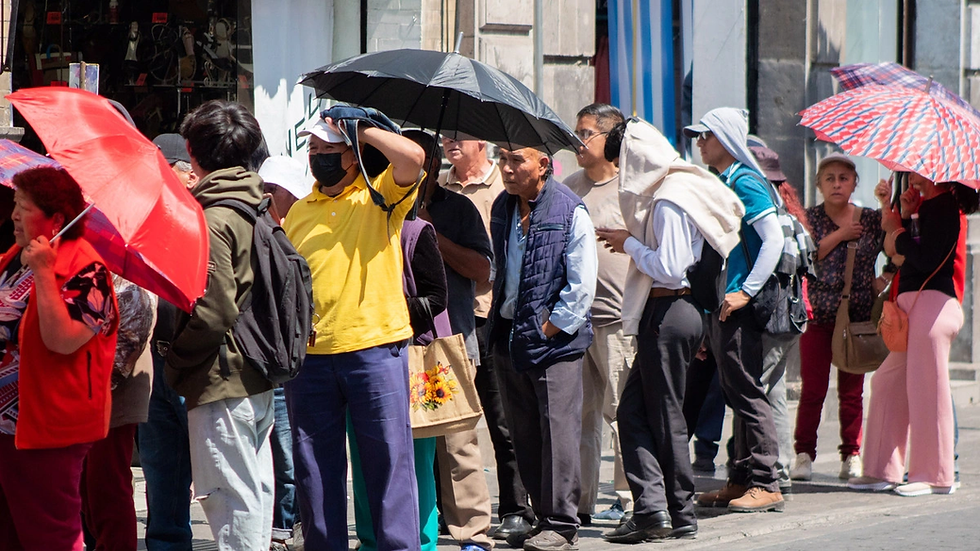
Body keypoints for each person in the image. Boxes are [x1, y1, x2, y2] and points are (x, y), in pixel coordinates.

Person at [282, 106, 425, 550]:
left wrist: (362, 130)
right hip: (312, 358)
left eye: (329, 149)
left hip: (375, 349)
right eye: (313, 148)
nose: (318, 156)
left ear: (353, 156)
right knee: (314, 469)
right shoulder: (299, 211)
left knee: (388, 464)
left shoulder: (380, 197)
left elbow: (413, 159)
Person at [596, 118, 743, 543]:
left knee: (664, 416)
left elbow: (670, 266)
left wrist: (628, 243)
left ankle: (673, 511)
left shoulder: (669, 197)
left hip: (670, 311)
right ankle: (656, 509)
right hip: (670, 313)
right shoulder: (675, 190)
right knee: (635, 412)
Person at [166, 100, 276, 550]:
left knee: (231, 503)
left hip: (221, 377)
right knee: (253, 496)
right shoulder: (256, 204)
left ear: (193, 153)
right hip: (256, 372)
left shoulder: (213, 216)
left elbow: (214, 311)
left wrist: (176, 357)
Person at [0, 166, 119, 550]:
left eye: (24, 206)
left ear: (56, 219)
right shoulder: (16, 255)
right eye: (15, 205)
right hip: (8, 426)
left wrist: (45, 274)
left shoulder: (88, 269)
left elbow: (62, 340)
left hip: (48, 425)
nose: (14, 214)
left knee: (50, 533)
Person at [488, 145, 597, 551]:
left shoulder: (569, 208)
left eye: (518, 161)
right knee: (524, 433)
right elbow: (502, 266)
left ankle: (562, 524)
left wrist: (550, 327)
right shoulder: (503, 206)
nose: (508, 169)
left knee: (558, 432)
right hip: (509, 335)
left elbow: (582, 282)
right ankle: (540, 516)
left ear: (543, 166)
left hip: (555, 342)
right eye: (504, 159)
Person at [848, 173, 977, 496]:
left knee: (926, 390)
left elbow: (924, 257)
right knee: (887, 382)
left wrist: (897, 228)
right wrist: (899, 219)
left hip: (932, 303)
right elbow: (898, 253)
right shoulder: (925, 204)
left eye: (915, 165)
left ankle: (935, 475)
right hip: (915, 305)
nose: (908, 170)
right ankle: (881, 470)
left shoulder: (945, 204)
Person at [684, 107, 785, 512]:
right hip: (722, 305)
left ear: (725, 139)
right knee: (735, 391)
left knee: (746, 391)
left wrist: (745, 291)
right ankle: (741, 480)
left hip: (738, 305)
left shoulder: (745, 180)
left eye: (705, 135)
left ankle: (766, 481)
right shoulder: (723, 180)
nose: (699, 143)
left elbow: (772, 239)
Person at [440, 132, 532, 539]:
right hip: (452, 316)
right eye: (444, 138)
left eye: (458, 137)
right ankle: (447, 508)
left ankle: (516, 506)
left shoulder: (503, 187)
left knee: (501, 418)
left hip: (492, 314)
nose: (449, 143)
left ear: (482, 142)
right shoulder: (439, 187)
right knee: (447, 420)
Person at [407, 129, 495, 551]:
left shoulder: (457, 209)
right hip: (394, 341)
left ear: (433, 168)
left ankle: (472, 531)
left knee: (457, 443)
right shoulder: (376, 206)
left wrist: (430, 236)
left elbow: (482, 270)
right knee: (402, 442)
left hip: (449, 342)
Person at [350, 215, 446, 551]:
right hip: (354, 356)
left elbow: (437, 297)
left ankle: (422, 543)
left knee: (414, 463)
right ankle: (371, 542)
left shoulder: (415, 230)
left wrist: (384, 312)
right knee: (363, 464)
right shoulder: (351, 225)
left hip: (408, 362)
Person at [562, 103, 635, 524]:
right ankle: (581, 502)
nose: (579, 141)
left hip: (620, 319)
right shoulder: (569, 186)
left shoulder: (633, 189)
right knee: (580, 416)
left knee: (621, 414)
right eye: (576, 132)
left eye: (587, 133)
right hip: (575, 322)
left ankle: (630, 502)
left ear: (611, 138)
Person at [790, 153, 882, 482]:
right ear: (819, 185)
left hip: (856, 317)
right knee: (812, 390)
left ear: (855, 183)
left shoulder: (870, 219)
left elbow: (897, 249)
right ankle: (803, 454)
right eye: (830, 178)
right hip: (817, 315)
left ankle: (851, 454)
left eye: (844, 178)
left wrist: (884, 278)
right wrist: (842, 234)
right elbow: (809, 256)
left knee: (851, 392)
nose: (837, 184)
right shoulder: (809, 218)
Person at [139, 134, 196, 551]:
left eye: (166, 165)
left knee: (219, 478)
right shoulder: (142, 217)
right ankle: (165, 543)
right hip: (153, 361)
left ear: (189, 172)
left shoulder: (204, 218)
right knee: (161, 468)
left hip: (194, 363)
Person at [256, 153, 310, 549]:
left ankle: (291, 521)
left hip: (297, 358)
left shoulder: (301, 231)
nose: (266, 196)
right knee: (270, 449)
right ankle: (279, 522)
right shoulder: (256, 230)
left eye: (272, 190)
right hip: (266, 357)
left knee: (292, 450)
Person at [81, 277, 155, 551]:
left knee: (106, 486)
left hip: (113, 394)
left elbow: (124, 347)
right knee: (89, 490)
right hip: (89, 394)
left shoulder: (129, 282)